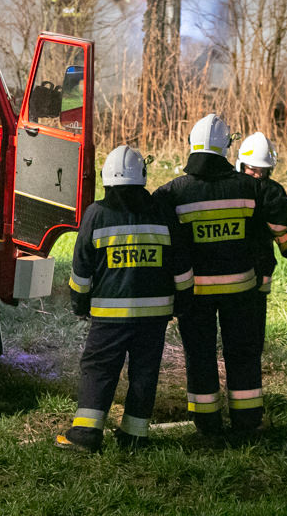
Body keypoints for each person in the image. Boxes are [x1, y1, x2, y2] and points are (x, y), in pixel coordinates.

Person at [153, 115, 287, 439]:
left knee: (200, 355)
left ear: (192, 145)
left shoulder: (173, 192)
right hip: (242, 292)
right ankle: (247, 421)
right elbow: (276, 219)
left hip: (194, 295)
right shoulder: (250, 187)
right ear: (226, 148)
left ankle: (207, 424)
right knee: (243, 353)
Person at [56, 145, 193, 453]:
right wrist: (182, 303)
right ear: (141, 177)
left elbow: (81, 271)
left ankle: (86, 435)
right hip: (155, 316)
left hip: (109, 316)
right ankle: (134, 435)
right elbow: (182, 266)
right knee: (145, 372)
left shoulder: (96, 215)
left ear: (106, 179)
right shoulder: (161, 213)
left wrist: (79, 305)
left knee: (98, 368)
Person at [235, 132, 287, 333]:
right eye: (253, 170)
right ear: (241, 164)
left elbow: (283, 231)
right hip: (233, 273)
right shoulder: (229, 190)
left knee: (253, 335)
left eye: (263, 171)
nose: (258, 175)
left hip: (260, 272)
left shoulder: (272, 192)